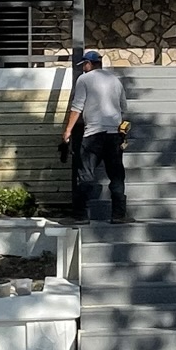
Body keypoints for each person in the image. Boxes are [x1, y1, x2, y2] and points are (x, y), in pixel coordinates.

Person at [59, 49, 127, 223]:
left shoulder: (84, 79)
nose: (83, 68)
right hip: (114, 134)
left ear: (89, 64)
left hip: (93, 134)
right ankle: (118, 215)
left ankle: (81, 215)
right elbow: (123, 107)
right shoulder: (115, 80)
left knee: (86, 175)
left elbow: (77, 107)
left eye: (84, 65)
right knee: (117, 175)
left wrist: (67, 131)